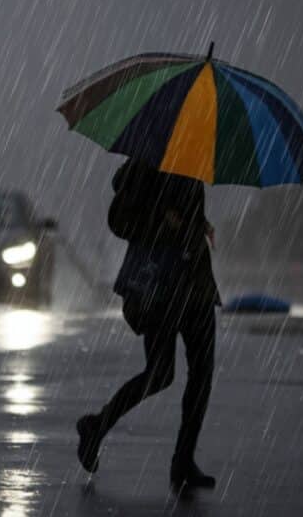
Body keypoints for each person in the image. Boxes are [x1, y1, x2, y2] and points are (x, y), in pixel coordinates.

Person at [76, 159, 220, 492]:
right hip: (160, 288)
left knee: (202, 374)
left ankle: (183, 462)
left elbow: (184, 213)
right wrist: (163, 222)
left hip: (194, 283)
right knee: (160, 373)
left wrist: (200, 223)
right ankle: (95, 427)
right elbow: (120, 220)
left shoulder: (189, 159)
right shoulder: (147, 163)